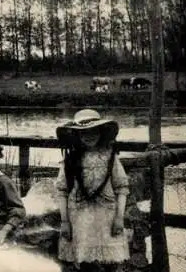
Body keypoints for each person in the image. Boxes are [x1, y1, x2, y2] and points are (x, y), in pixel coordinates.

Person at [55, 109, 130, 272]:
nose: (89, 136)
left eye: (93, 132)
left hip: (106, 216)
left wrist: (119, 218)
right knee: (85, 263)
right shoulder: (70, 160)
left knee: (110, 262)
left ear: (100, 132)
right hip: (79, 216)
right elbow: (62, 191)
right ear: (77, 136)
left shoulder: (111, 157)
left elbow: (122, 188)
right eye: (83, 133)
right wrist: (65, 222)